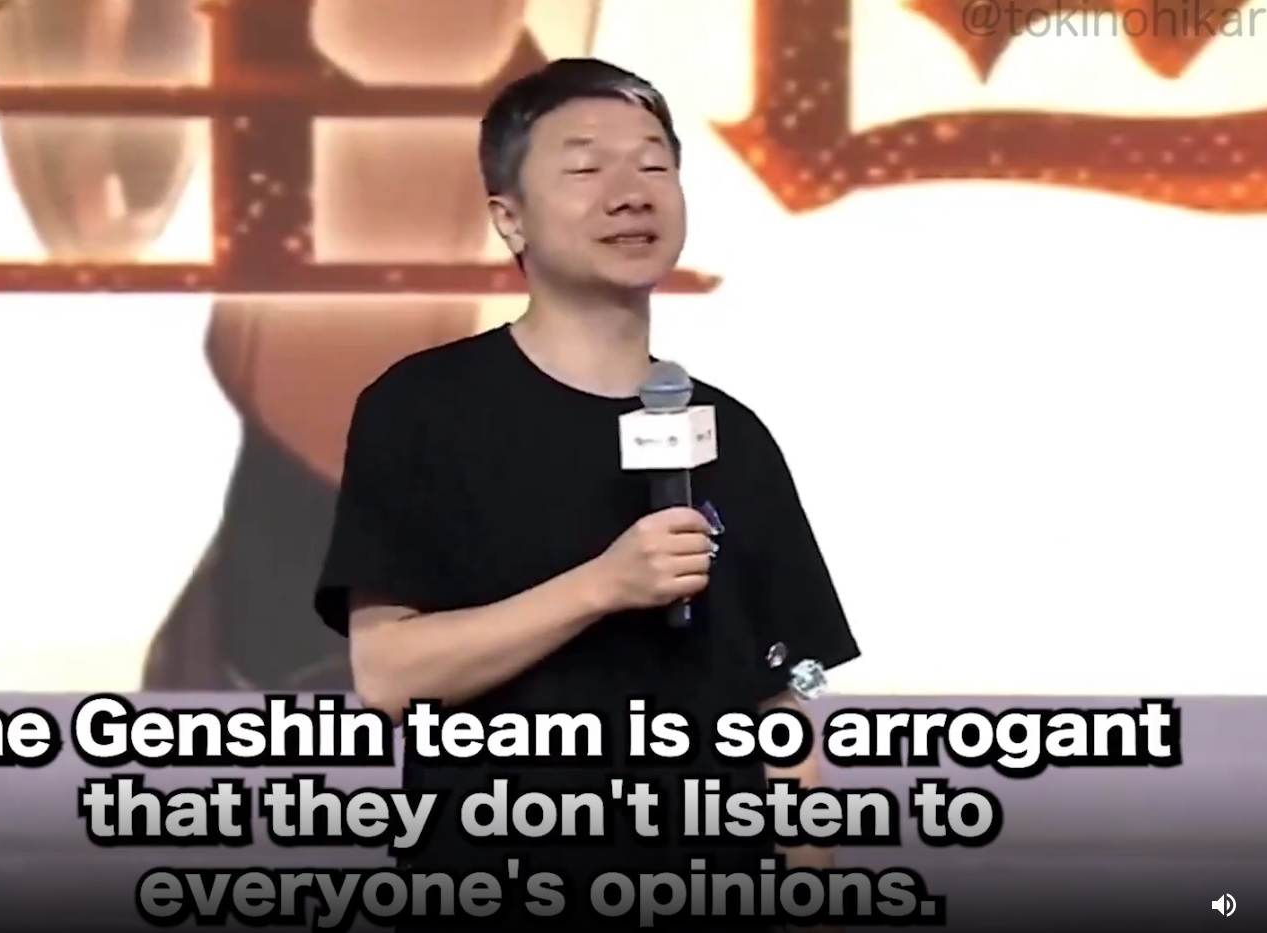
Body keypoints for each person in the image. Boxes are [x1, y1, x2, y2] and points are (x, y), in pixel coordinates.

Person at [314, 57, 860, 928]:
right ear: (509, 217)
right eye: (584, 167)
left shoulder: (734, 434)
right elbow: (390, 675)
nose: (630, 193)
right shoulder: (422, 408)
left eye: (653, 163)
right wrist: (603, 584)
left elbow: (783, 706)